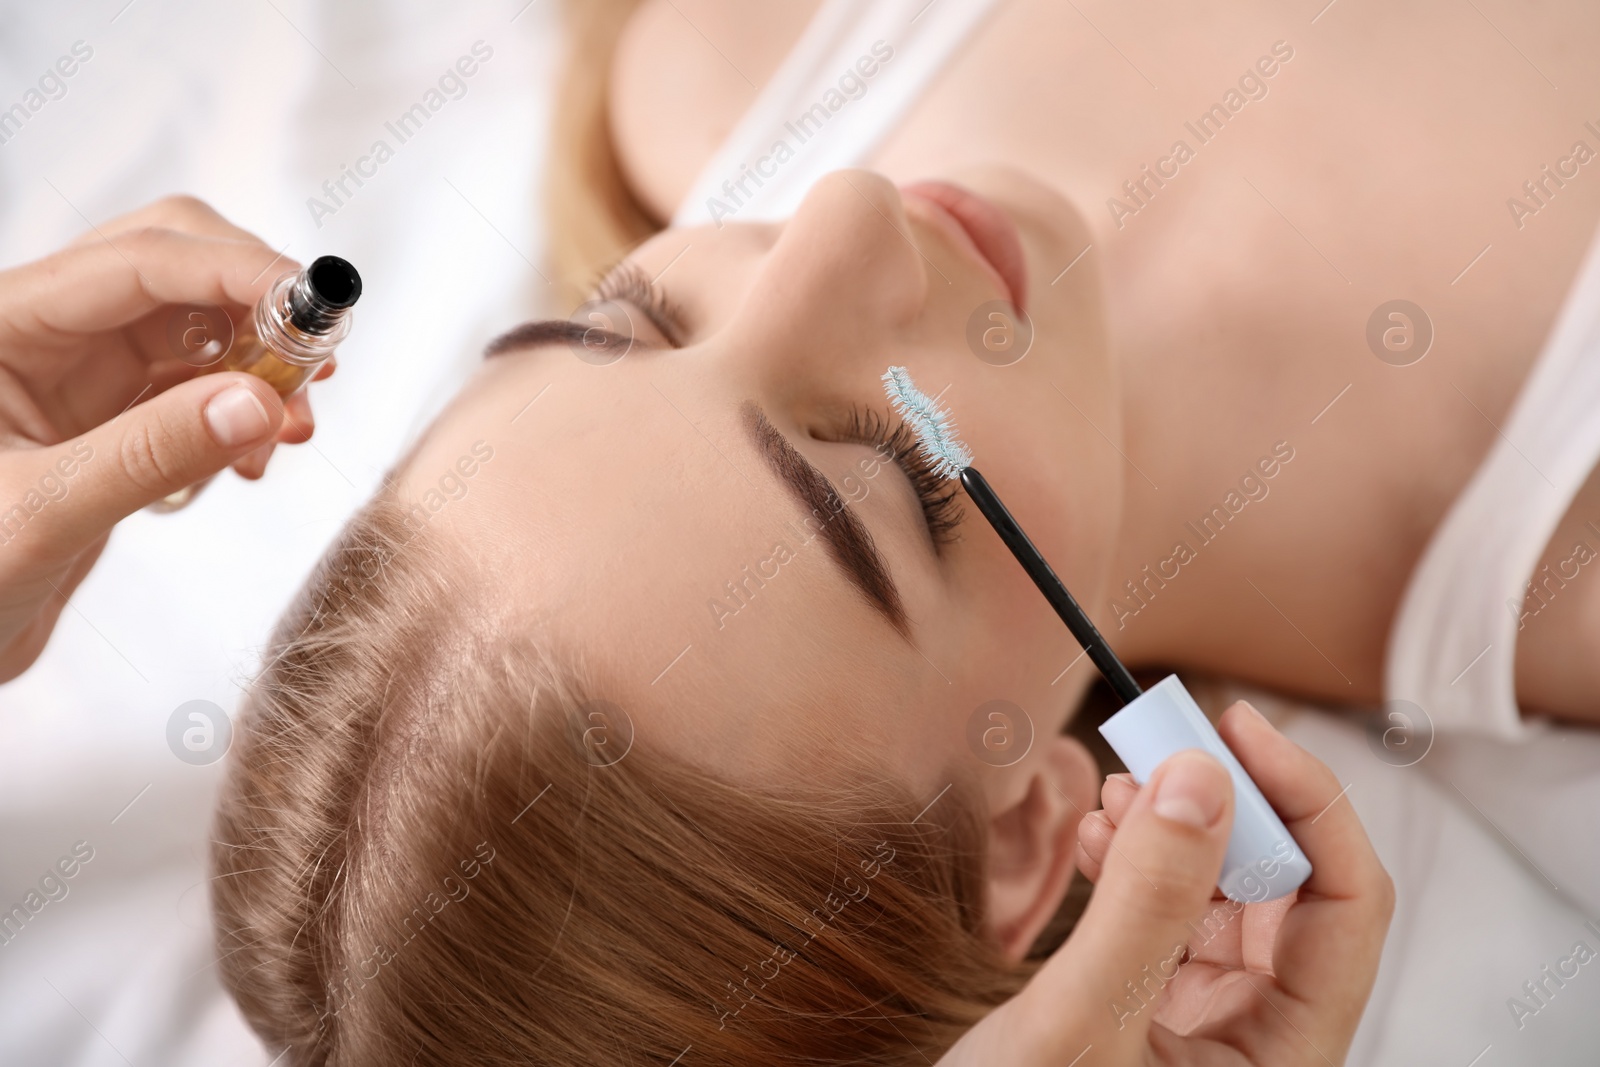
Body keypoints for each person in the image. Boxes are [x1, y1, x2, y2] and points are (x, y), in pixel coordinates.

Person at [0, 196, 1393, 1066]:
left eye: (627, 321)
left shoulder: (695, 54)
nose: (842, 211)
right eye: (890, 479)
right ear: (1027, 835)